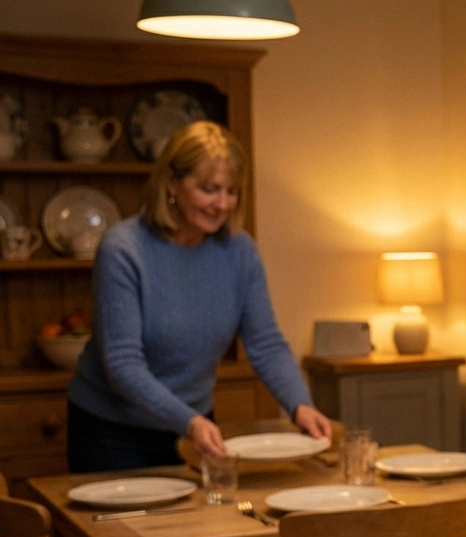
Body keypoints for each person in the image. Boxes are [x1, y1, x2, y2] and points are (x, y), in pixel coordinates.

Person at [67, 121, 330, 472]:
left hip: (193, 425)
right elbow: (123, 363)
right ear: (172, 183)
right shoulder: (124, 249)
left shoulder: (240, 251)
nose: (222, 204)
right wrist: (188, 421)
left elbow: (265, 344)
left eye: (231, 191)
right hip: (113, 431)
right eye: (209, 189)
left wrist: (300, 405)